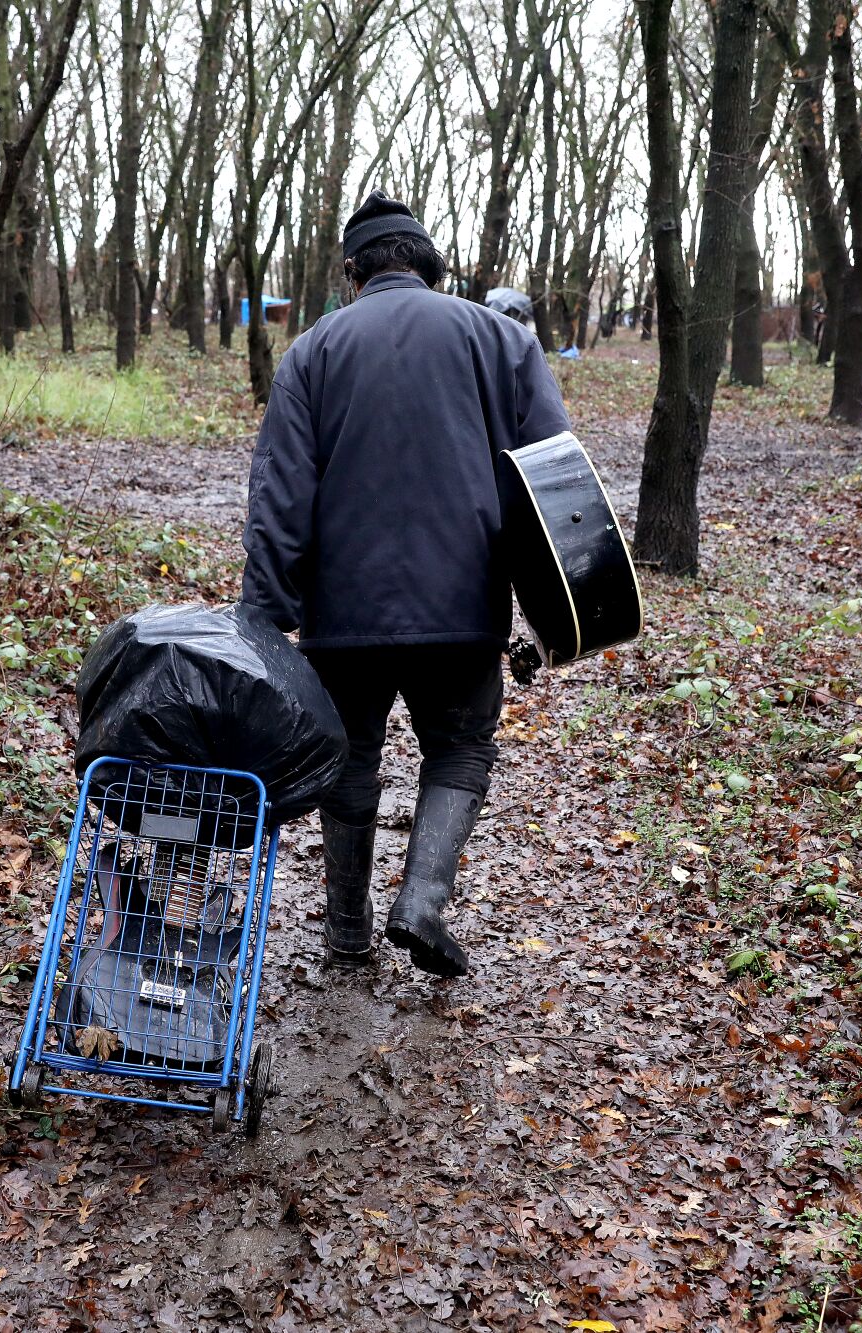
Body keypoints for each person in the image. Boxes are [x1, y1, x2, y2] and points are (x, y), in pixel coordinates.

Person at [240, 192, 572, 978]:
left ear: (353, 271)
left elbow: (280, 495)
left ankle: (347, 933)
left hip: (342, 616)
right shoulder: (500, 339)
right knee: (459, 747)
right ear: (428, 263)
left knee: (350, 756)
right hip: (463, 608)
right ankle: (422, 902)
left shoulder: (313, 352)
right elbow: (557, 481)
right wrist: (549, 612)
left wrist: (263, 618)